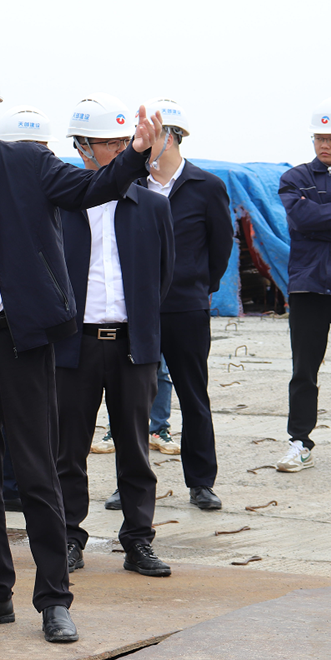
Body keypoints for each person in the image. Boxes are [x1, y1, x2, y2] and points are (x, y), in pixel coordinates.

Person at [0, 49, 165, 643]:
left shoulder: (26, 164)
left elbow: (94, 188)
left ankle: (53, 599)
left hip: (19, 344)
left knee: (37, 475)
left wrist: (134, 154)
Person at [55, 93, 175, 578]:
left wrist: (139, 328)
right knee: (67, 450)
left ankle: (138, 541)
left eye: (125, 141)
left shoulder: (153, 207)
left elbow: (162, 277)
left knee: (136, 449)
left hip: (132, 345)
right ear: (82, 147)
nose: (123, 150)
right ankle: (67, 537)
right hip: (74, 346)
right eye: (110, 143)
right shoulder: (61, 205)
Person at [138, 97, 233, 509]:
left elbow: (221, 246)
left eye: (153, 133)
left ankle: (201, 482)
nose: (143, 140)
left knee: (194, 396)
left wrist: (199, 285)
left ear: (173, 137)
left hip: (186, 308)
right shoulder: (132, 184)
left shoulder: (206, 186)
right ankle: (130, 483)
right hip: (138, 308)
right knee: (132, 400)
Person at [276, 96, 331, 473]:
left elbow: (313, 220)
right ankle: (299, 442)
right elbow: (300, 220)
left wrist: (320, 218)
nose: (324, 145)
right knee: (303, 370)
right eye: (318, 138)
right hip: (307, 287)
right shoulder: (295, 178)